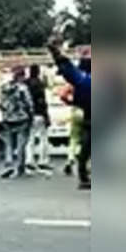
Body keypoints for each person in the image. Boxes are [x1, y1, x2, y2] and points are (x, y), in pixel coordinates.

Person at [48, 40, 91, 190]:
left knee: (83, 145)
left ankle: (83, 177)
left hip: (85, 114)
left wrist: (57, 55)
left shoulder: (83, 80)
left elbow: (68, 71)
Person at [0, 66, 34, 179]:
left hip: (7, 119)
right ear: (21, 76)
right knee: (21, 145)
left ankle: (8, 165)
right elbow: (29, 103)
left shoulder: (4, 87)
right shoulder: (23, 88)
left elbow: (1, 104)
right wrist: (30, 114)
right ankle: (19, 168)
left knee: (9, 144)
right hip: (22, 119)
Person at [25, 64, 53, 174]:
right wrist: (46, 116)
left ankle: (29, 160)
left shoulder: (26, 84)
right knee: (43, 138)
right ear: (38, 72)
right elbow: (43, 102)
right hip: (40, 114)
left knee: (30, 139)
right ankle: (43, 160)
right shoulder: (40, 84)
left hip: (29, 115)